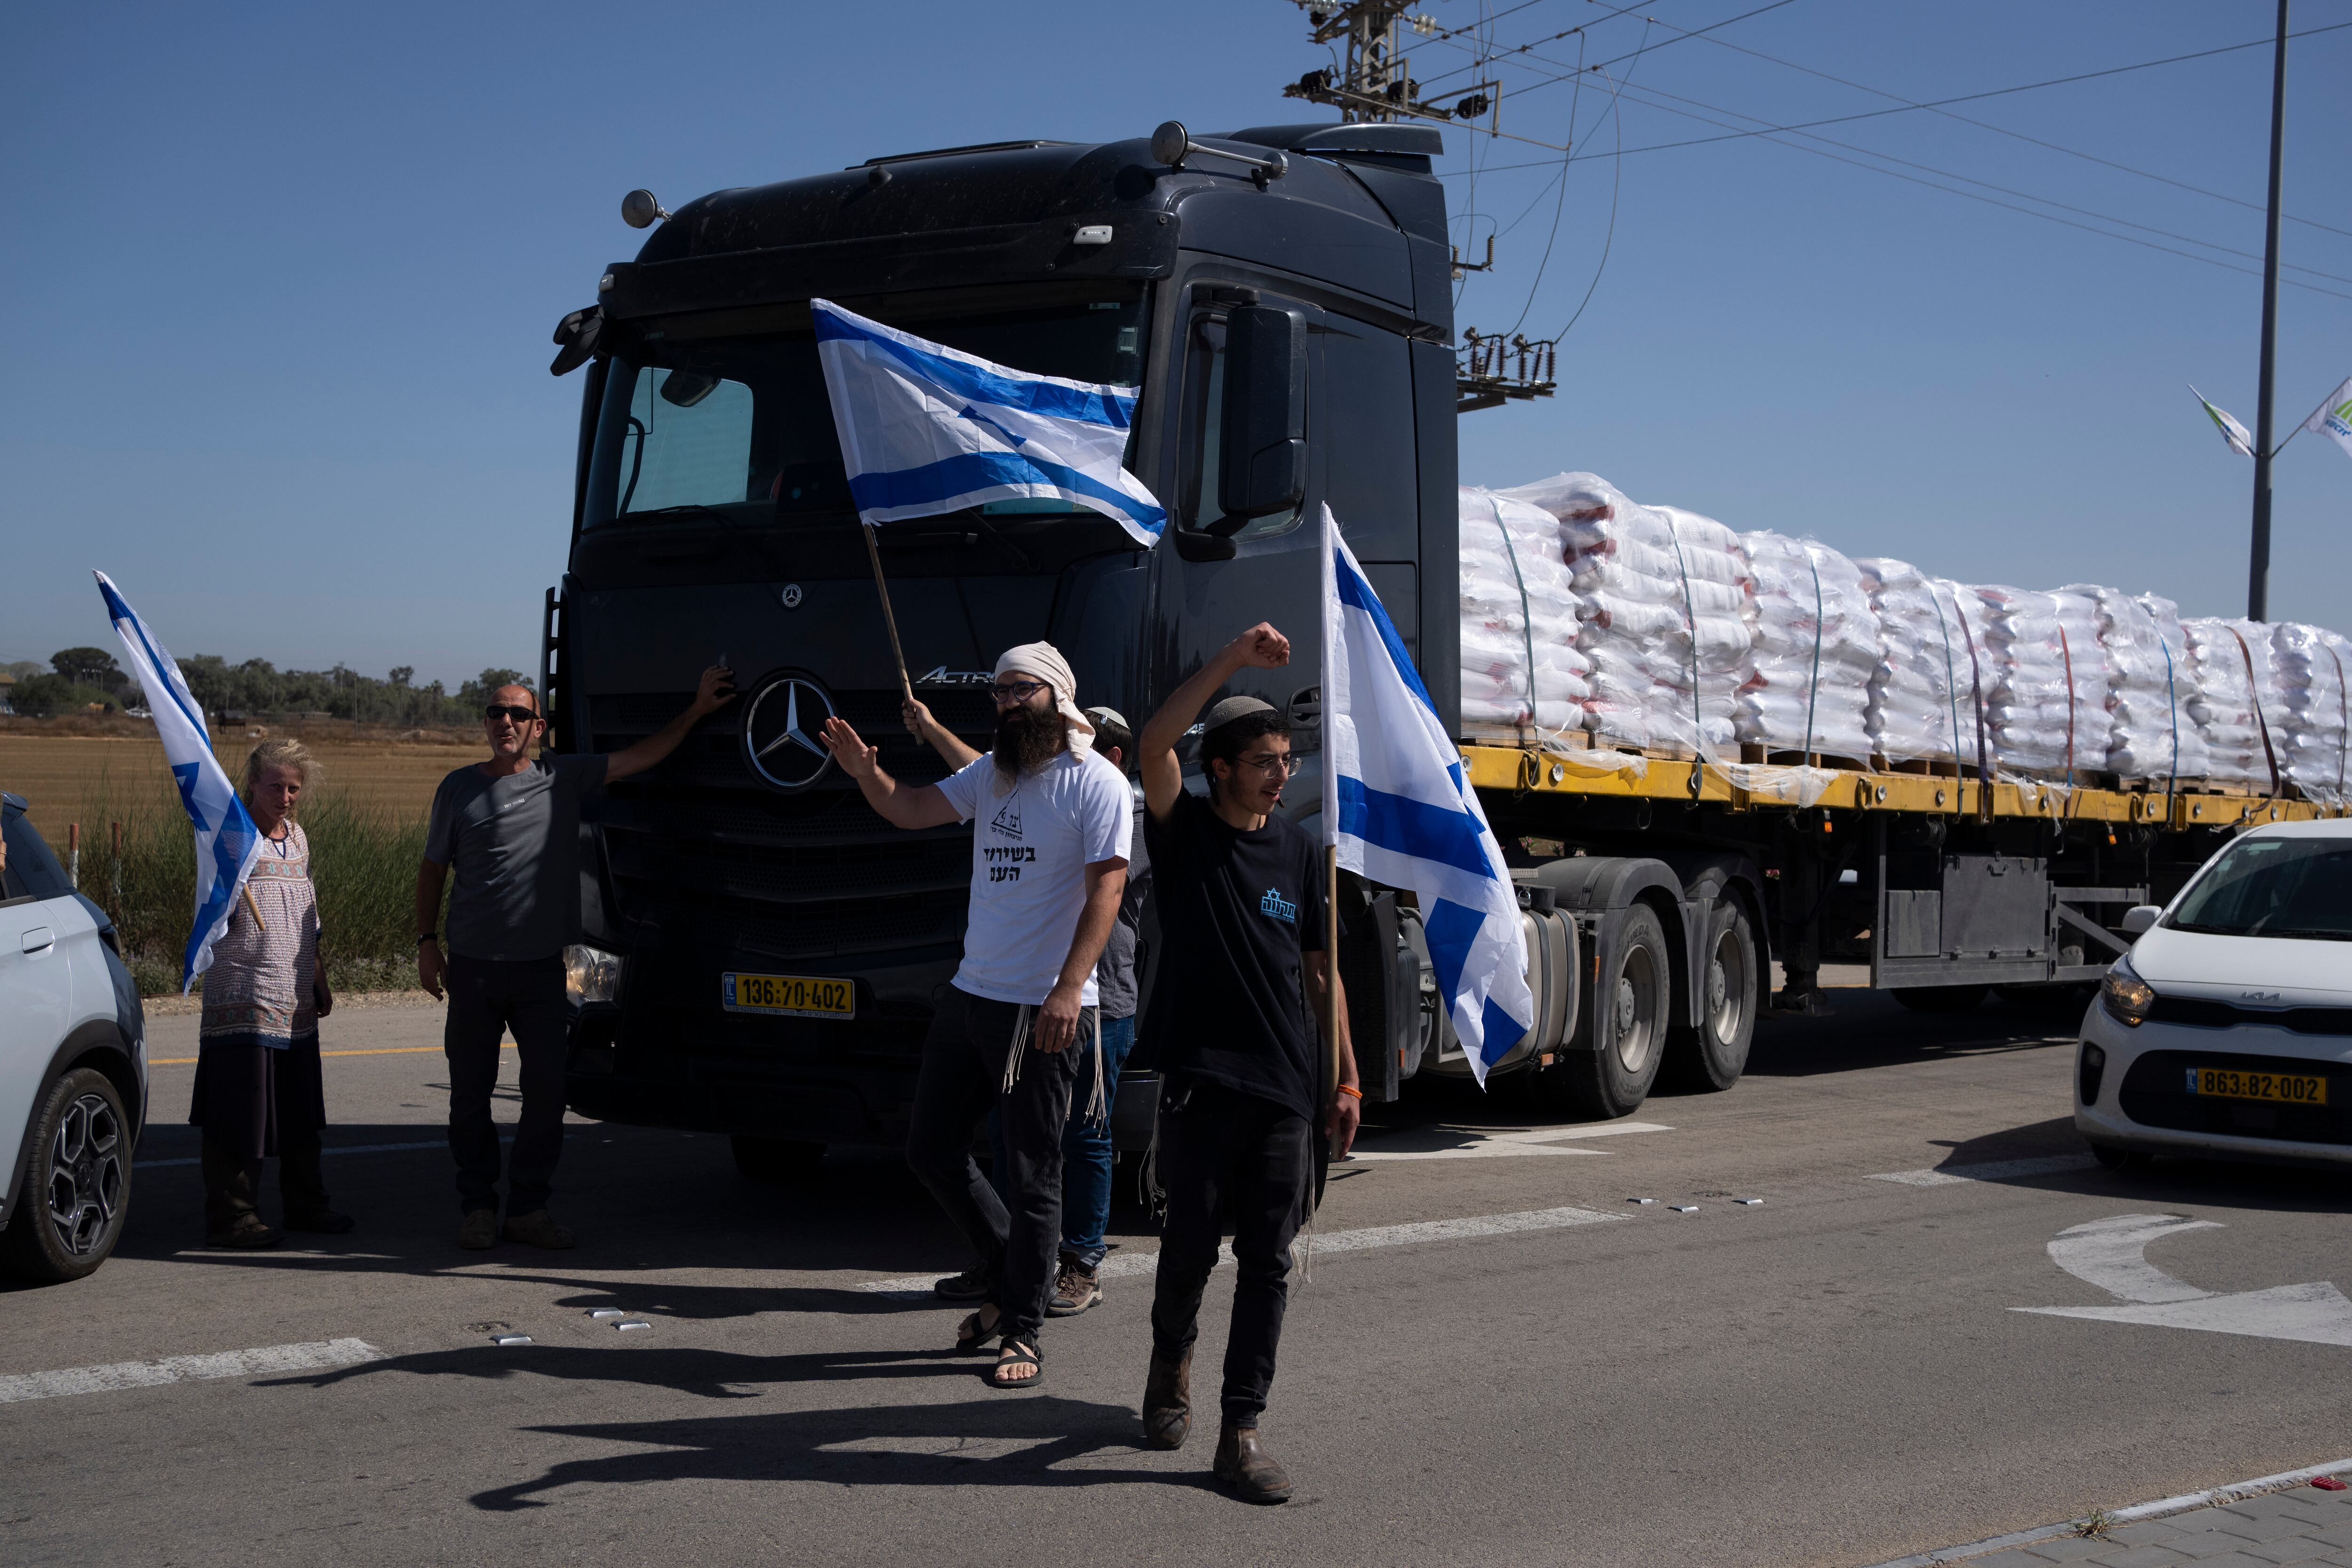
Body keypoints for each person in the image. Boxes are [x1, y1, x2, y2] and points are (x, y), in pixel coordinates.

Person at [823, 644, 1129, 1390]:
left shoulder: (1096, 783)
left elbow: (1107, 893)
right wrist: (867, 775)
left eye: (1016, 690)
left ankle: (1022, 1329)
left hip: (1043, 1008)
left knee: (1033, 1174)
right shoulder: (993, 774)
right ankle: (1004, 1276)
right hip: (971, 994)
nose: (1002, 703)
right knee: (930, 1150)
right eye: (997, 691)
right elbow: (911, 808)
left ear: (1056, 694)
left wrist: (1068, 989)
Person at [1134, 622, 1359, 1504]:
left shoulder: (1301, 852)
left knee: (1269, 1259)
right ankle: (1170, 1361)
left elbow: (1321, 969)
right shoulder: (1183, 832)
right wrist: (1230, 657)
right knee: (1188, 1251)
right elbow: (1154, 743)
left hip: (1285, 1088)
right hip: (1201, 1082)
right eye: (1262, 759)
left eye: (1286, 759)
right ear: (1219, 767)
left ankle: (1241, 1429)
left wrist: (1343, 1075)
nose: (1279, 772)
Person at [417, 669, 734, 1251]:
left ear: (539, 727)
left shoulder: (561, 778)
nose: (505, 723)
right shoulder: (457, 788)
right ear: (485, 724)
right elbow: (434, 867)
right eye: (495, 713)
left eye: (517, 715)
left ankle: (528, 1209)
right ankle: (479, 1206)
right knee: (469, 1093)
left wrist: (694, 712)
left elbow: (639, 758)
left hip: (541, 970)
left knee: (545, 1093)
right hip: (473, 968)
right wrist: (425, 944)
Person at [901, 696, 1151, 1317]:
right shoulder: (1029, 783)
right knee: (1002, 1139)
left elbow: (1105, 886)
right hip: (1018, 999)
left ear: (1111, 754)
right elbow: (995, 784)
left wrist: (1069, 988)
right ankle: (1012, 1265)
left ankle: (1080, 1263)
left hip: (1099, 998)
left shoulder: (1120, 801)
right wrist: (934, 731)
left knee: (1084, 1138)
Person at [192, 738, 344, 1248]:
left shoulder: (297, 837)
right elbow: (210, 906)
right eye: (275, 785)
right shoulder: (231, 837)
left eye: (293, 788)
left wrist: (318, 971)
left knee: (299, 1110)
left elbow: (309, 910)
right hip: (245, 990)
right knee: (242, 1110)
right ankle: (233, 1216)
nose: (285, 796)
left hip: (293, 990)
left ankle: (306, 1205)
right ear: (253, 782)